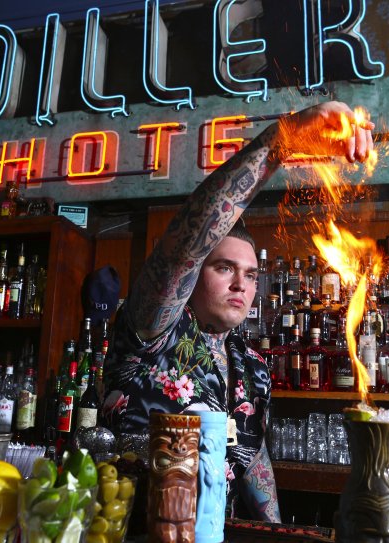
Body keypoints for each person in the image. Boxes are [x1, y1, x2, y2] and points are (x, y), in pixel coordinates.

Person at [101, 101, 374, 522]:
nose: (239, 285)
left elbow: (254, 458)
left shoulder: (254, 367)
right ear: (194, 275)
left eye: (250, 275)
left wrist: (275, 529)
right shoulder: (152, 330)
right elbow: (189, 243)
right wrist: (281, 140)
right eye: (224, 267)